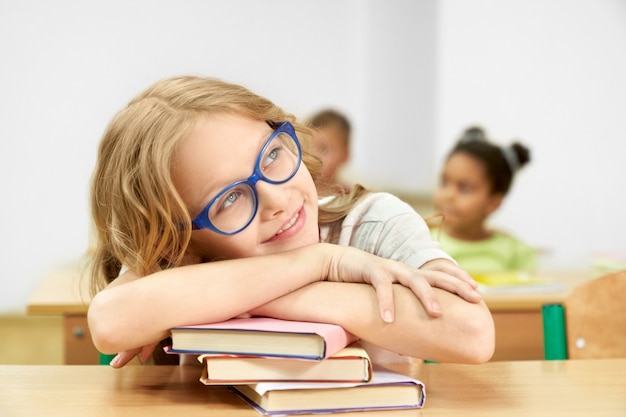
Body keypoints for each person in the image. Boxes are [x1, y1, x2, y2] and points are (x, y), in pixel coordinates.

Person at [86, 75, 494, 369]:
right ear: (181, 241)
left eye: (272, 155)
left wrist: (238, 295)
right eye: (229, 198)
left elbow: (472, 334)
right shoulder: (178, 261)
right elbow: (110, 322)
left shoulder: (372, 222)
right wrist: (319, 263)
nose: (278, 199)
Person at [430, 126, 536, 275]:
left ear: (494, 203)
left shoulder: (516, 253)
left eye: (464, 188)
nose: (449, 195)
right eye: (444, 183)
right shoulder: (422, 244)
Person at [307, 109, 352, 194]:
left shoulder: (351, 199)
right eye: (309, 147)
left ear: (345, 155)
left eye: (323, 149)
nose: (313, 156)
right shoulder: (299, 192)